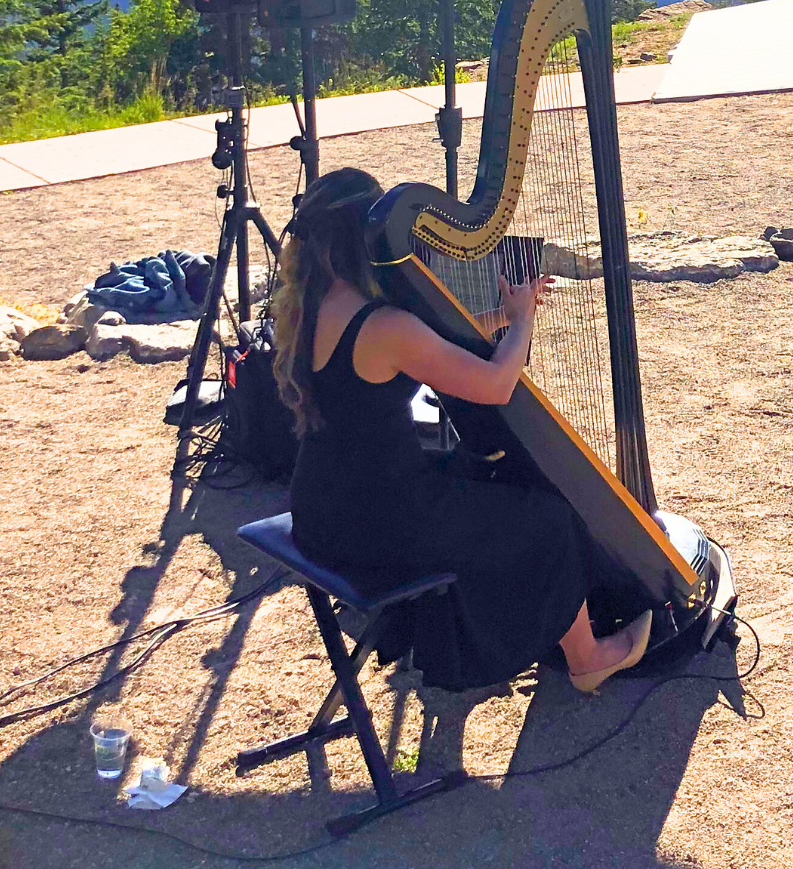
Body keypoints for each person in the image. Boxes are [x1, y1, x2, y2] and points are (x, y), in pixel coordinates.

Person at [270, 166, 650, 694]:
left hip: (323, 508)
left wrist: (499, 314)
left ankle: (543, 630)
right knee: (545, 517)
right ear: (367, 239)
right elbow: (495, 385)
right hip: (382, 520)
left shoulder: (305, 307)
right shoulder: (383, 326)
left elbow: (436, 347)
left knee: (487, 482)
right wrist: (521, 324)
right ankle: (588, 657)